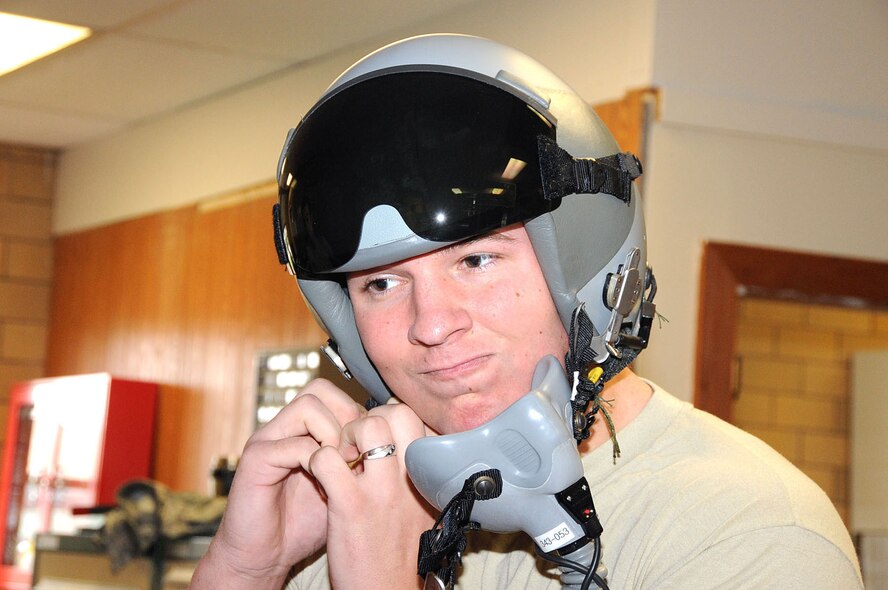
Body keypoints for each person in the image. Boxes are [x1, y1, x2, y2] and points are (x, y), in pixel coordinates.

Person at [191, 34, 862, 589]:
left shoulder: (750, 533)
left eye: (476, 261)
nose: (431, 324)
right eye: (382, 285)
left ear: (584, 266)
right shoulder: (359, 512)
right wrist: (247, 567)